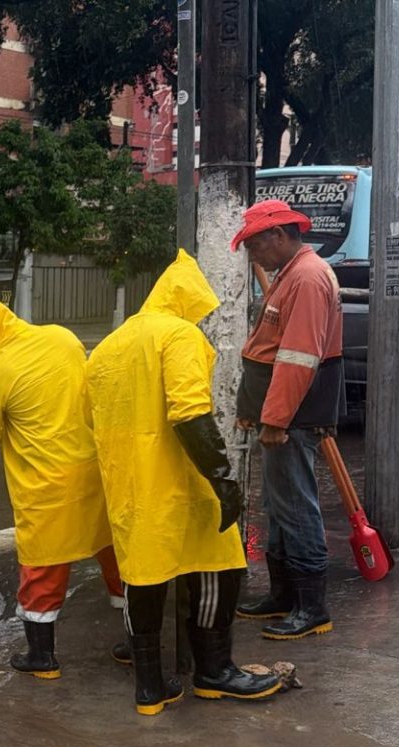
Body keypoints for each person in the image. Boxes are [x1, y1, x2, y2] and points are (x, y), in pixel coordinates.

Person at [84, 251, 283, 715]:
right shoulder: (178, 334)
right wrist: (221, 476)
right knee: (219, 565)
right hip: (179, 478)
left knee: (143, 577)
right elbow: (190, 411)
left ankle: (150, 687)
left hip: (129, 483)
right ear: (186, 299)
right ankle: (215, 672)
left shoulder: (110, 345)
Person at [0, 283, 124, 679]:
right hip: (91, 469)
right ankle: (136, 642)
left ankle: (42, 658)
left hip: (45, 484)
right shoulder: (62, 337)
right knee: (112, 551)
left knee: (43, 567)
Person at [230, 200, 345, 640]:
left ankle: (311, 606)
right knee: (278, 506)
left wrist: (275, 420)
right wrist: (252, 410)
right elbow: (268, 348)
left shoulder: (307, 278)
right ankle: (283, 595)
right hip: (280, 415)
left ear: (279, 235)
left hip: (292, 418)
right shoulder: (292, 274)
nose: (251, 254)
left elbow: (298, 359)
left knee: (295, 506)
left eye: (254, 244)